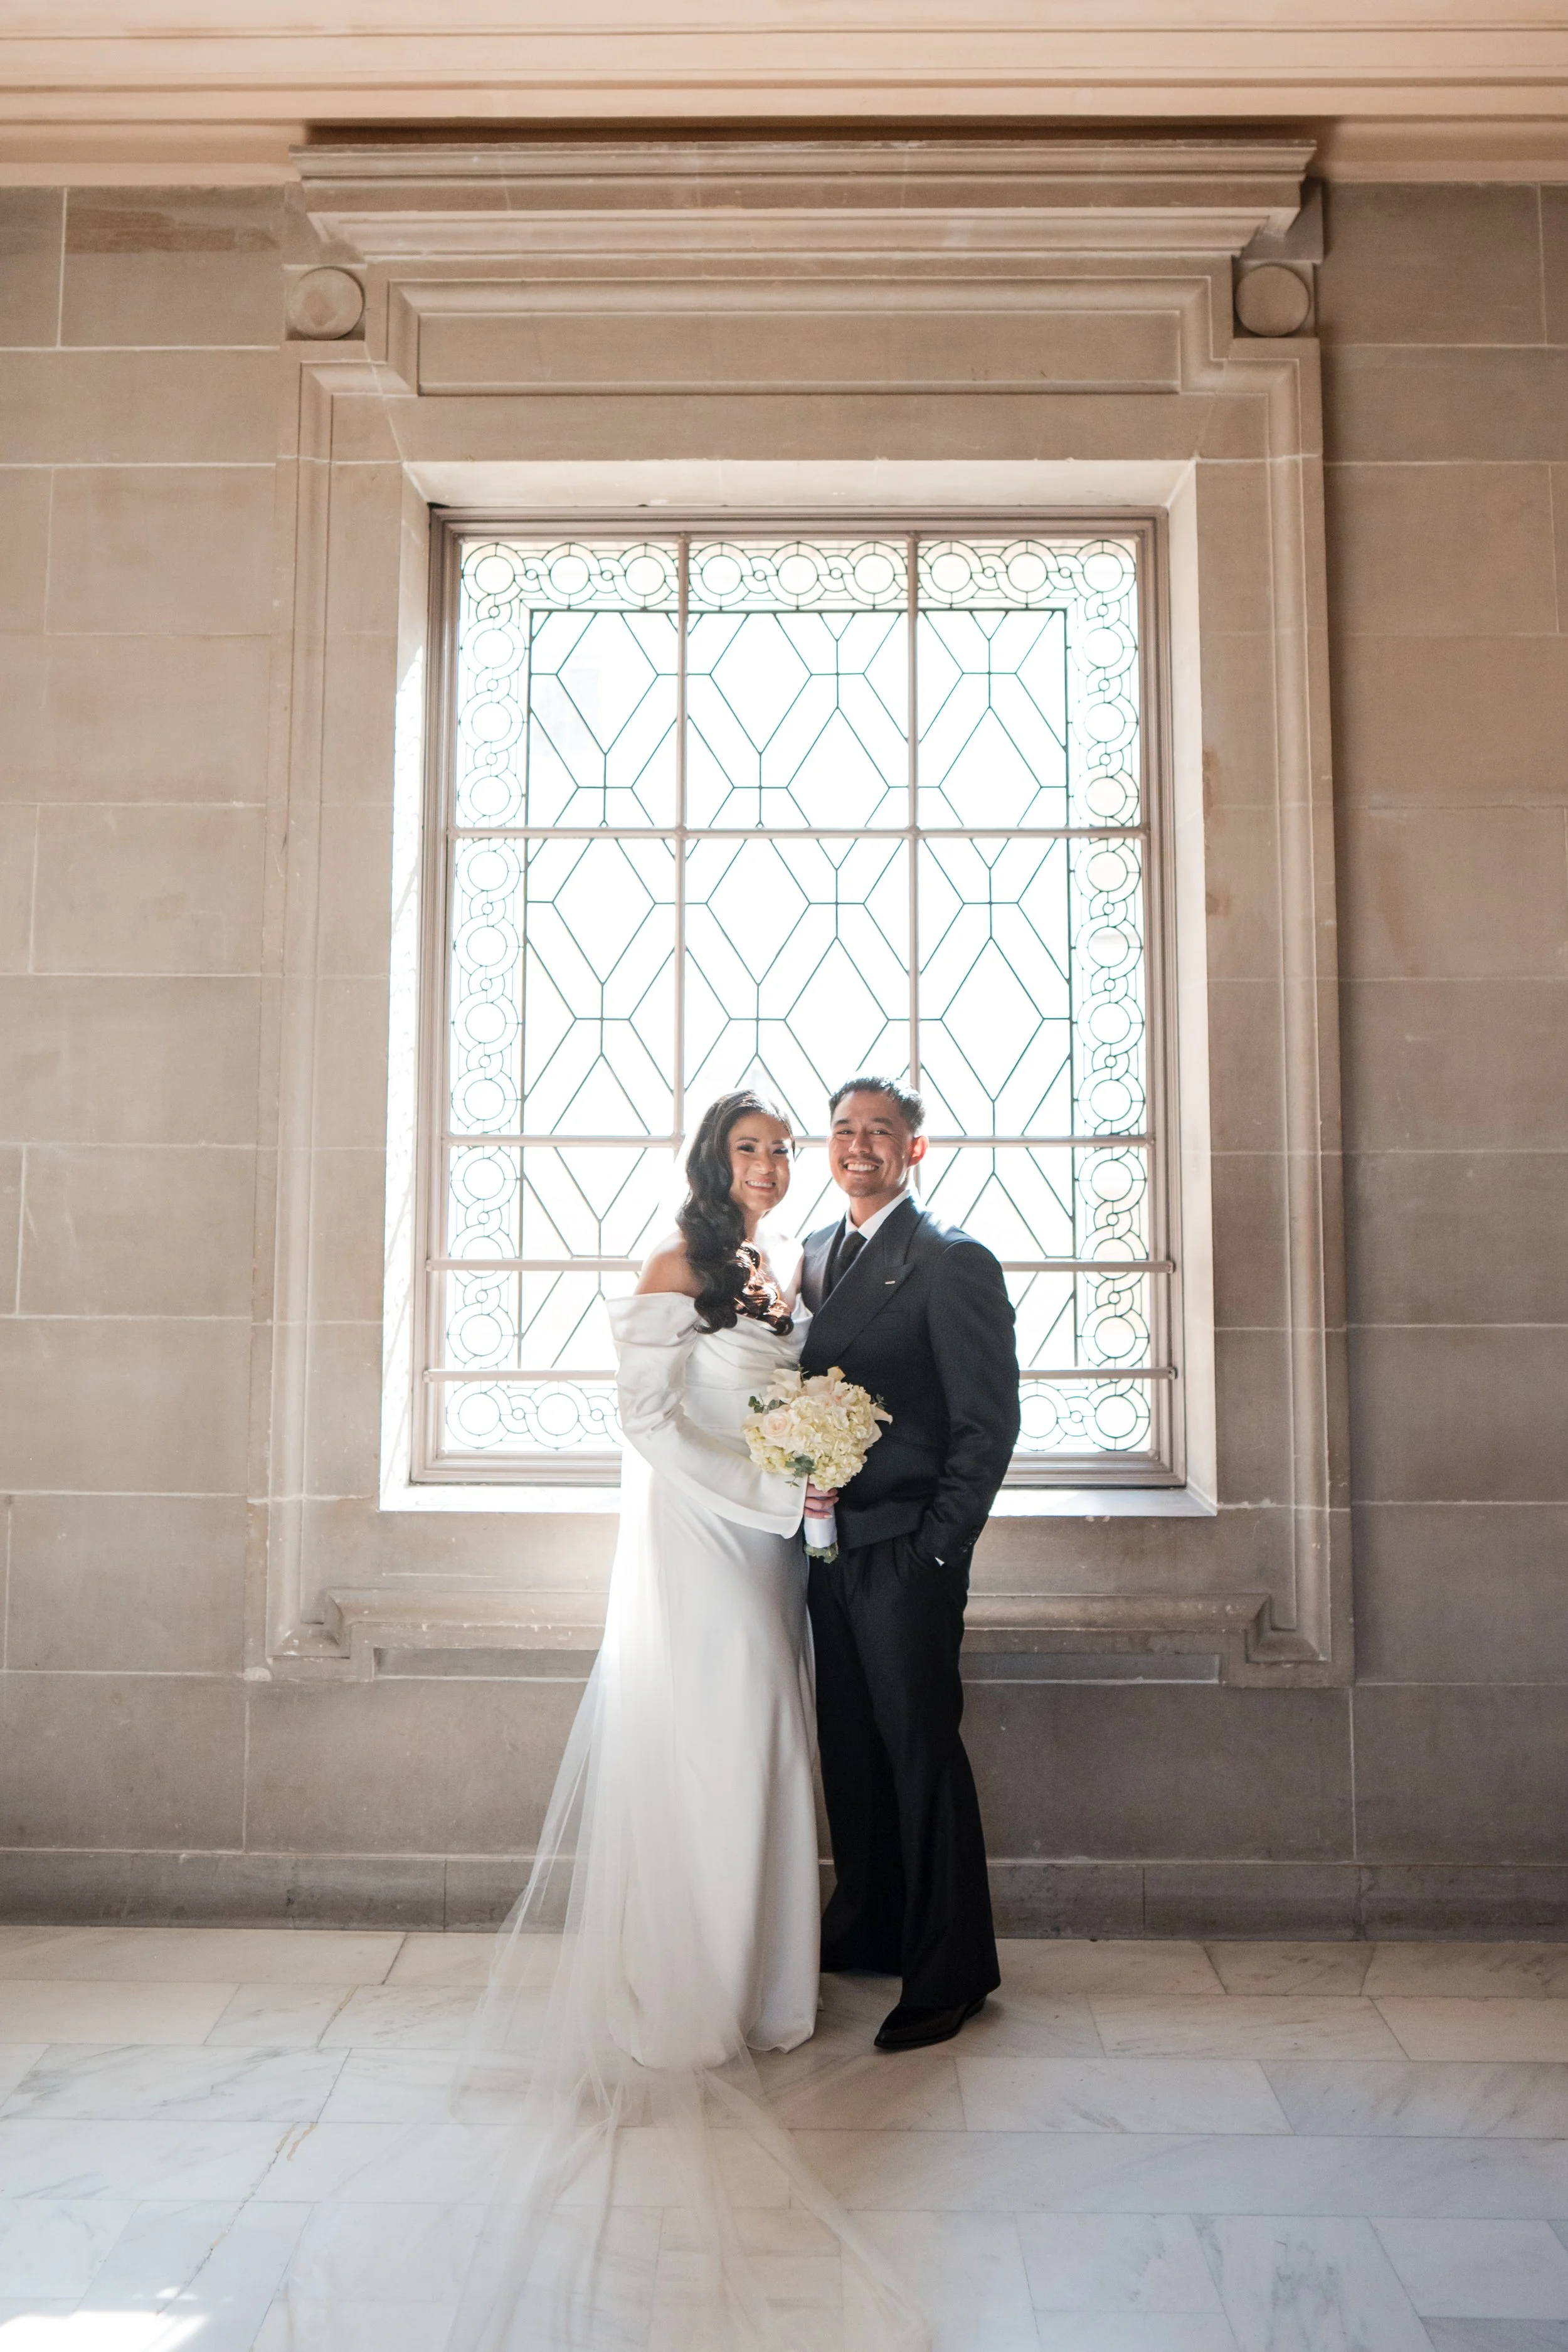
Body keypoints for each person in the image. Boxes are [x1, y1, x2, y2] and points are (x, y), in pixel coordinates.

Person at [800, 1076, 1021, 2053]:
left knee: (921, 1753)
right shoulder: (808, 1255)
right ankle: (872, 1921)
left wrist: (939, 1548)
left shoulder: (950, 1261)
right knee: (850, 1746)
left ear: (914, 1150)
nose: (859, 1146)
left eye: (879, 1132)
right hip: (822, 1550)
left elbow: (989, 1423)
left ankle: (951, 1970)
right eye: (844, 1130)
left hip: (905, 1553)